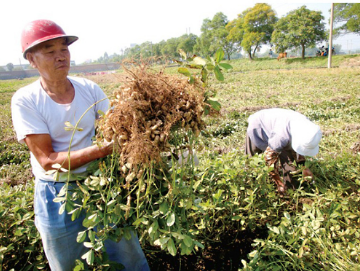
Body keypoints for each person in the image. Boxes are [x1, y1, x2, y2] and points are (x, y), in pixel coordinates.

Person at [11, 19, 150, 271]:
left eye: (64, 49)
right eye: (50, 51)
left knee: (128, 257)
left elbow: (114, 127)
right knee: (69, 265)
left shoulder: (89, 88)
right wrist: (104, 149)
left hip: (101, 186)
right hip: (57, 194)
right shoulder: (26, 100)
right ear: (31, 60)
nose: (60, 56)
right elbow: (48, 161)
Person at [245, 108, 322, 193]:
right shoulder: (281, 137)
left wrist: (303, 167)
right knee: (253, 160)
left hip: (280, 126)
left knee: (290, 165)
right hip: (259, 124)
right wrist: (278, 182)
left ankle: (291, 189)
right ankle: (252, 187)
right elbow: (269, 159)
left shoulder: (309, 130)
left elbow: (300, 149)